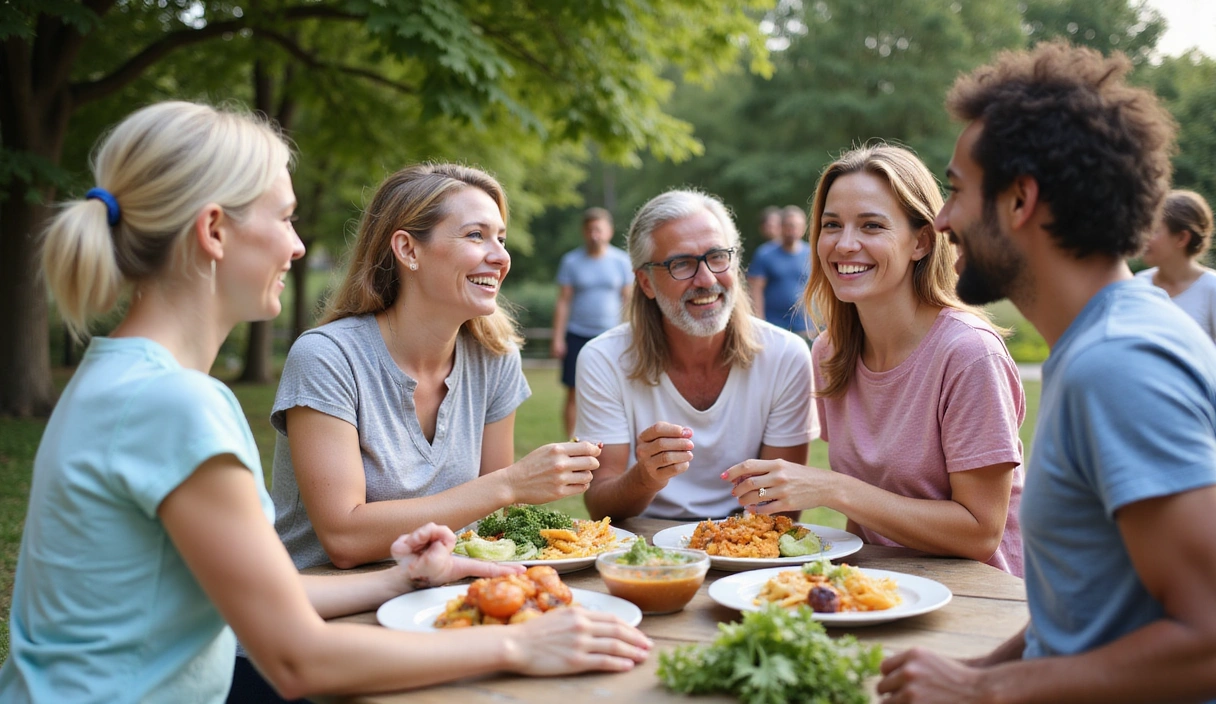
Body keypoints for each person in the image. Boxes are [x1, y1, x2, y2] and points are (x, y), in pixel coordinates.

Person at [0, 102, 649, 704]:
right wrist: (520, 642)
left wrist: (402, 579)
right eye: (284, 218)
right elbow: (296, 660)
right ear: (215, 232)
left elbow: (255, 596)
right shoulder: (173, 404)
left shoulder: (125, 378)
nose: (299, 245)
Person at [878, 42, 1216, 703]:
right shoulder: (1102, 339)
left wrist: (984, 693)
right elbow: (1088, 606)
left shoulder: (1120, 365)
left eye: (956, 191)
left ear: (1019, 200)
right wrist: (981, 671)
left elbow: (1208, 635)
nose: (943, 219)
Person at [270, 164, 603, 572]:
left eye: (501, 238)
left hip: (436, 600)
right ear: (409, 250)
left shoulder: (495, 358)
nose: (501, 257)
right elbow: (344, 537)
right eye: (476, 235)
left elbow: (488, 522)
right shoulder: (327, 358)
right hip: (321, 617)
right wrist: (511, 483)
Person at [725, 144, 1026, 576]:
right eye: (832, 225)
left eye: (871, 225)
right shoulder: (829, 353)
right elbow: (873, 514)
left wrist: (833, 488)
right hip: (878, 590)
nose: (845, 245)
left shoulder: (968, 354)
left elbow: (981, 532)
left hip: (977, 599)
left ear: (920, 241)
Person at [576, 189, 817, 521]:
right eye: (682, 264)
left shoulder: (785, 356)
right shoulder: (603, 359)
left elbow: (782, 506)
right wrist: (646, 477)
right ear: (645, 282)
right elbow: (601, 503)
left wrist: (730, 535)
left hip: (747, 544)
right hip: (644, 551)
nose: (706, 279)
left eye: (718, 256)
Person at [550, 207, 633, 437]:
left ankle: (616, 439)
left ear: (609, 231)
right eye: (590, 230)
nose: (594, 234)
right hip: (577, 334)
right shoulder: (571, 261)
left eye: (599, 229)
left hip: (612, 336)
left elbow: (629, 300)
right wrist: (558, 338)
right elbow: (563, 301)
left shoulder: (622, 261)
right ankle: (571, 443)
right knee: (573, 392)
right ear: (584, 232)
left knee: (619, 390)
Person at [1136, 189, 1216, 342]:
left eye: (1154, 230)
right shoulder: (1139, 284)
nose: (1144, 237)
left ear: (1182, 238)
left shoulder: (1212, 288)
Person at [748, 204, 815, 336]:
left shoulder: (811, 254)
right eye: (789, 225)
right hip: (774, 325)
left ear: (804, 228)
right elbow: (755, 289)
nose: (792, 230)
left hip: (804, 325)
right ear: (781, 227)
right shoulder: (765, 254)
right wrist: (759, 322)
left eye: (796, 226)